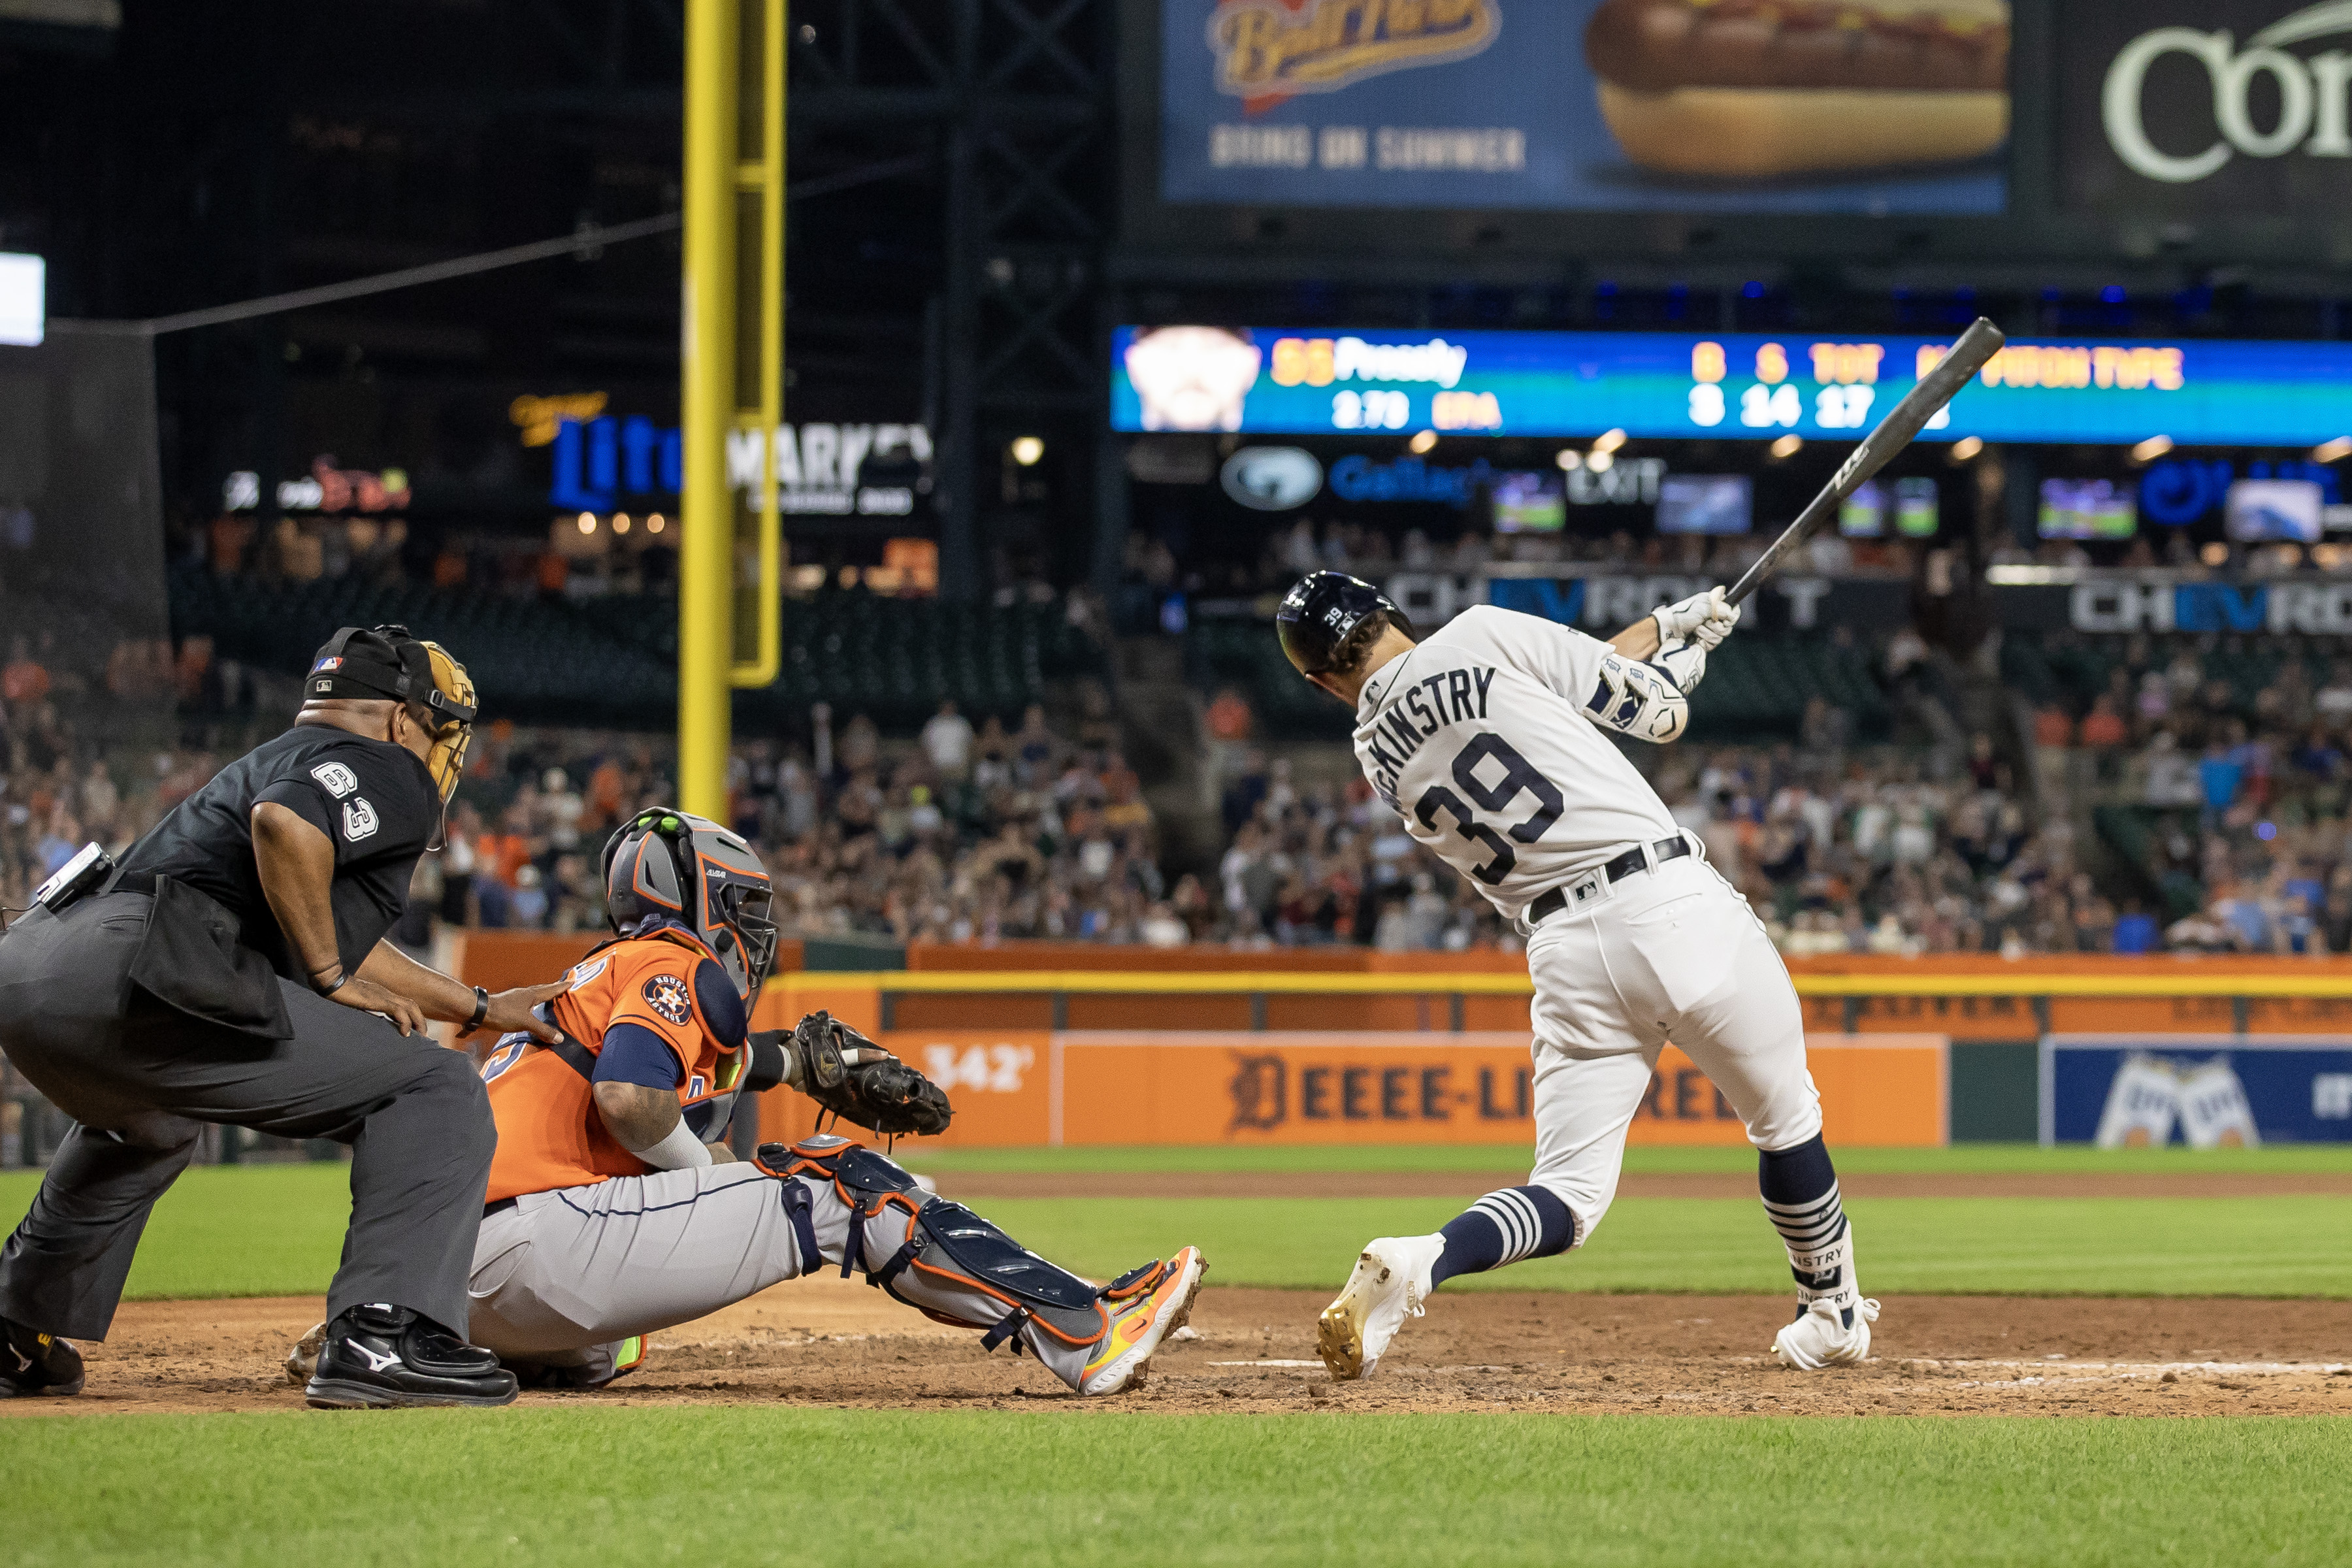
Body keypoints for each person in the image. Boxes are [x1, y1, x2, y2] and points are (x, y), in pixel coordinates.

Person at [291, 808, 1205, 1397]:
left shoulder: (581, 981)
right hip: (538, 1250)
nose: (754, 932)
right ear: (704, 903)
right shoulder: (670, 961)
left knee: (607, 1344)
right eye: (745, 909)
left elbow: (641, 1079)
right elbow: (629, 1097)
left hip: (451, 1275)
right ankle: (1085, 1330)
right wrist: (712, 1174)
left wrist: (782, 1065)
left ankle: (438, 1330)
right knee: (842, 1180)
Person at [1275, 573, 1877, 1380]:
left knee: (1566, 1195)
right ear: (1388, 611)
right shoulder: (1478, 630)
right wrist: (1677, 667)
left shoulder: (1376, 753)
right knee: (1784, 1119)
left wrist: (1662, 627)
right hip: (1669, 903)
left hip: (1567, 949)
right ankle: (1830, 1312)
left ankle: (1426, 1258)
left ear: (1320, 681)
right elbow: (1658, 716)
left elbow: (1551, 681)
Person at [0, 626, 566, 1408]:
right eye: (440, 729)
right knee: (435, 1088)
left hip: (38, 963)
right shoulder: (387, 766)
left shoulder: (275, 756)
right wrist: (330, 976)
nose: (442, 750)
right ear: (402, 717)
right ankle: (383, 1333)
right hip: (142, 963)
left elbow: (320, 915)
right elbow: (285, 826)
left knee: (152, 1124)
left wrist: (476, 1004)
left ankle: (13, 1324)